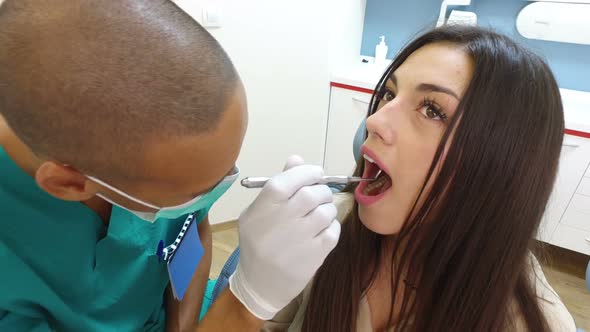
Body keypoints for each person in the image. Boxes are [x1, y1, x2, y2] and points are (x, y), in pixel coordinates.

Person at [0, 0, 339, 331]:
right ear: (70, 184)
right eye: (195, 193)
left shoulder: (162, 168)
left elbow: (189, 233)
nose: (209, 196)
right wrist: (248, 304)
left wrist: (184, 326)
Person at [263, 25, 577, 331]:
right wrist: (253, 290)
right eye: (389, 93)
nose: (374, 120)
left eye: (432, 110)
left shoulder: (533, 322)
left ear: (502, 163)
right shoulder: (326, 230)